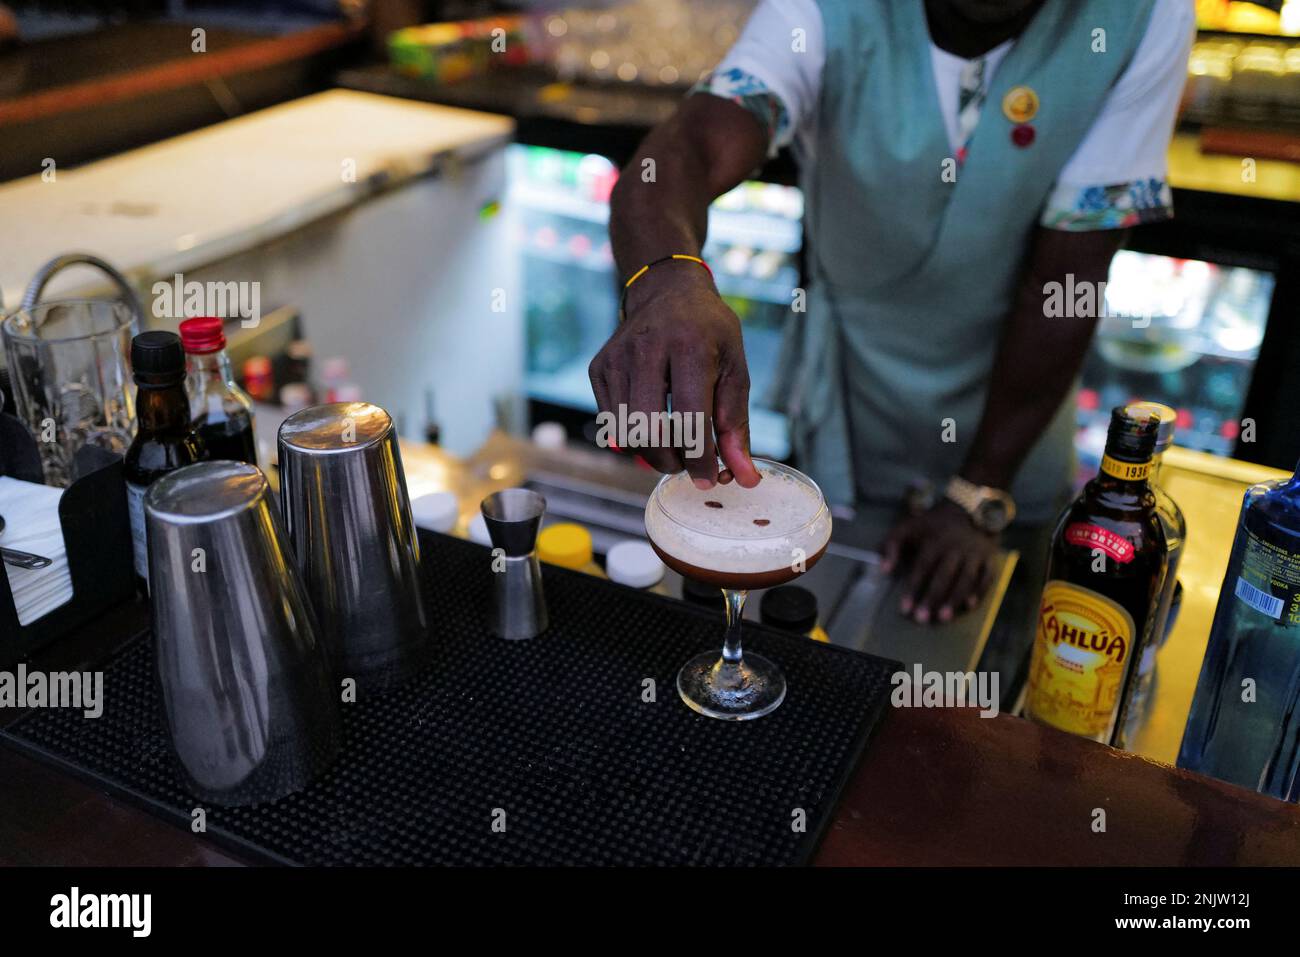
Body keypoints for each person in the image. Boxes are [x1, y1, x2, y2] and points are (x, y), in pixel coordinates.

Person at [591, 0, 1194, 675]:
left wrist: (980, 493)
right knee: (817, 659)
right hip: (850, 414)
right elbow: (694, 145)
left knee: (981, 693)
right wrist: (667, 283)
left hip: (1013, 429)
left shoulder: (1147, 15)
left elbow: (1067, 281)